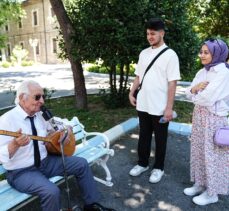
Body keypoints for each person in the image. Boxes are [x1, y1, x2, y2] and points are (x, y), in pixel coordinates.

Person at [0, 80, 115, 211]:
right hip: (21, 172)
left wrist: (66, 131)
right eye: (37, 97)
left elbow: (63, 124)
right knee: (51, 191)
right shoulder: (6, 121)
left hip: (46, 162)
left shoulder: (40, 115)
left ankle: (91, 205)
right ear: (22, 98)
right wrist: (14, 144)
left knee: (81, 164)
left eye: (43, 96)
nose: (42, 101)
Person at [128, 18, 180, 183]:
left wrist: (169, 108)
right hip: (143, 103)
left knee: (160, 138)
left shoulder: (170, 55)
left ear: (162, 33)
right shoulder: (144, 53)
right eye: (148, 34)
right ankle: (142, 163)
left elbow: (173, 83)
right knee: (143, 135)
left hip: (160, 106)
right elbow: (139, 75)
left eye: (153, 33)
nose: (150, 37)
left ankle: (159, 168)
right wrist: (131, 91)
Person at [183, 39, 229, 206]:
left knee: (212, 155)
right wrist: (195, 89)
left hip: (214, 119)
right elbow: (189, 92)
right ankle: (200, 183)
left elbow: (207, 98)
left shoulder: (223, 72)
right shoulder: (203, 71)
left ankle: (212, 193)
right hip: (200, 117)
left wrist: (196, 93)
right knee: (199, 151)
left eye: (206, 52)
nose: (201, 55)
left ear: (217, 53)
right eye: (201, 51)